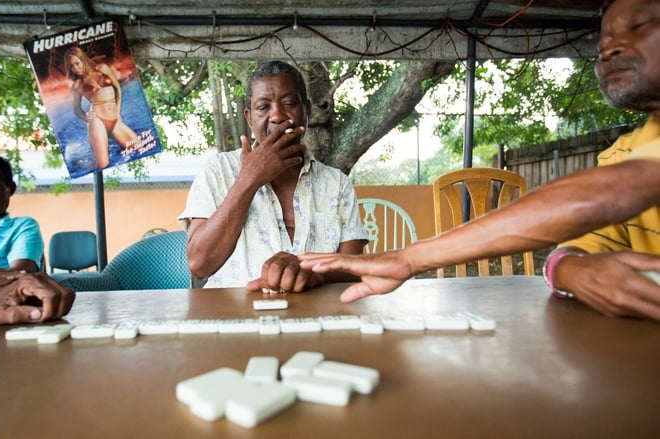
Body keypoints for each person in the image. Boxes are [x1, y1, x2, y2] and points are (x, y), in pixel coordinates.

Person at [298, 0, 660, 322]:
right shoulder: (621, 154)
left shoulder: (624, 171)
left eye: (639, 25)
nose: (608, 49)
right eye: (600, 44)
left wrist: (408, 258)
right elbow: (578, 252)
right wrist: (571, 269)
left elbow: (607, 194)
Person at [178, 60, 367, 293]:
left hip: (315, 319)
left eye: (288, 103)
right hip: (234, 319)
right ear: (249, 117)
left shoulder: (337, 184)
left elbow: (355, 269)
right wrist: (250, 178)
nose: (277, 116)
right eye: (263, 107)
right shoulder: (218, 170)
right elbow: (199, 265)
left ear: (307, 110)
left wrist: (313, 273)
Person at [64, 46, 143, 169]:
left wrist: (117, 111)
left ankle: (82, 162)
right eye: (71, 67)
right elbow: (76, 108)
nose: (75, 69)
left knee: (140, 147)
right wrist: (86, 117)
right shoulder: (77, 85)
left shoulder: (103, 68)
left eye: (77, 63)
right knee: (103, 164)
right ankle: (82, 166)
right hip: (97, 120)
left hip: (114, 119)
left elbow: (117, 88)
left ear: (83, 59)